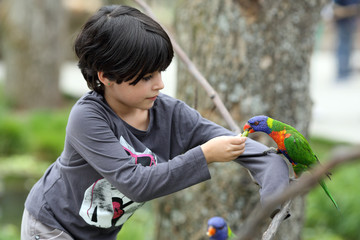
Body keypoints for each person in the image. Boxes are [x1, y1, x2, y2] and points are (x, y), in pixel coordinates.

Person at [21, 5, 289, 240]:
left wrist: (275, 197)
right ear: (106, 76)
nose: (160, 84)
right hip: (50, 225)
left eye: (160, 72)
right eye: (148, 76)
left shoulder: (170, 114)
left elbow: (242, 147)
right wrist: (204, 155)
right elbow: (135, 184)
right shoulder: (88, 118)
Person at [333, 0, 360, 80]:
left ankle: (345, 71)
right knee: (344, 47)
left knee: (348, 47)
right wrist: (352, 10)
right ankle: (343, 72)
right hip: (343, 23)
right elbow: (336, 10)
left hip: (351, 22)